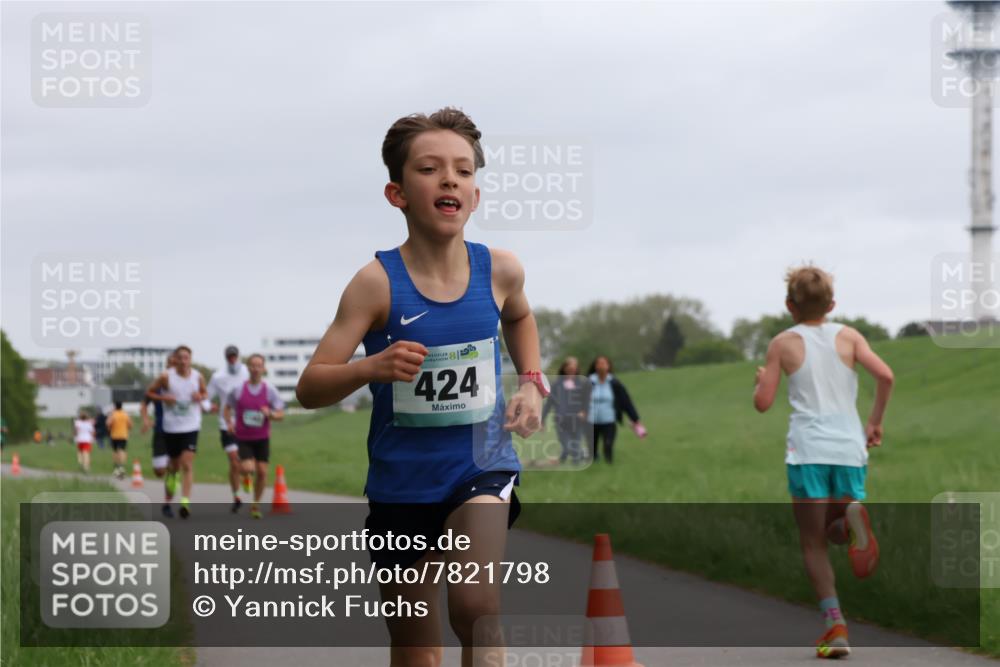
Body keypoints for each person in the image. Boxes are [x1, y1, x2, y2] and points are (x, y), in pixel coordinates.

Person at [296, 107, 546, 667]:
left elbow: (521, 318)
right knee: (416, 648)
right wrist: (370, 367)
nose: (450, 179)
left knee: (477, 609)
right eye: (430, 169)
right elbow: (310, 386)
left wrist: (531, 380)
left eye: (463, 170)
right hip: (400, 486)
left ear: (475, 197)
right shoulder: (375, 284)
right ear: (397, 193)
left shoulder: (501, 270)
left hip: (480, 468)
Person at [753, 265, 894, 659]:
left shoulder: (782, 343)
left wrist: (761, 380)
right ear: (832, 304)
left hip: (808, 453)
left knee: (814, 544)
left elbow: (763, 404)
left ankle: (836, 628)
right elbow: (885, 376)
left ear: (788, 305)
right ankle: (848, 517)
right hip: (849, 450)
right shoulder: (849, 336)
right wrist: (875, 422)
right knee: (835, 528)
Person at [146, 345, 207, 519]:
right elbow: (149, 393)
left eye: (186, 357)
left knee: (187, 465)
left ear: (190, 359)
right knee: (173, 467)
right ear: (175, 359)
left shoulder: (198, 376)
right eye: (179, 357)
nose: (183, 361)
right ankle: (169, 491)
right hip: (171, 427)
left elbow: (205, 393)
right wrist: (165, 398)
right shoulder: (166, 377)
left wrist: (200, 396)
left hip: (191, 426)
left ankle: (185, 502)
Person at [224, 354, 285, 519]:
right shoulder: (238, 389)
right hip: (243, 437)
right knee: (247, 468)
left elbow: (281, 414)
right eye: (253, 365)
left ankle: (256, 505)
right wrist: (229, 423)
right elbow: (227, 407)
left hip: (262, 437)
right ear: (248, 368)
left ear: (263, 368)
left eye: (259, 365)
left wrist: (270, 414)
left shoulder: (269, 390)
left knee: (263, 472)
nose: (256, 368)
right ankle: (246, 477)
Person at [207, 345, 251, 513]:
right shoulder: (218, 377)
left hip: (247, 422)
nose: (232, 359)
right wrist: (208, 405)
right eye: (229, 357)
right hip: (226, 423)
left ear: (238, 356)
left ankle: (246, 476)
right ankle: (236, 496)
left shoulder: (248, 372)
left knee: (246, 464)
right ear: (226, 358)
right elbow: (207, 396)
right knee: (234, 460)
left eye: (234, 356)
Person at [585, 355, 644, 464]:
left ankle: (609, 464)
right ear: (595, 366)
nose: (601, 366)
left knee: (608, 445)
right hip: (591, 421)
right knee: (592, 450)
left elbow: (626, 402)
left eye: (604, 363)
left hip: (609, 420)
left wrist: (635, 419)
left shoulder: (614, 383)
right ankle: (593, 463)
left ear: (608, 366)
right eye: (599, 363)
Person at [142, 352, 177, 508]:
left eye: (175, 364)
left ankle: (167, 502)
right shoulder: (157, 386)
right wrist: (146, 420)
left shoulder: (186, 384)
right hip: (161, 430)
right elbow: (144, 404)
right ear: (166, 366)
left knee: (173, 467)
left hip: (179, 431)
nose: (172, 367)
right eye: (170, 364)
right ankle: (171, 472)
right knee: (159, 471)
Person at [541, 356, 590, 465]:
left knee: (576, 444)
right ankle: (583, 454)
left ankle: (574, 469)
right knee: (567, 446)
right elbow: (549, 403)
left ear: (577, 368)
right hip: (561, 420)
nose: (572, 368)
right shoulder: (556, 384)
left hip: (577, 420)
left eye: (574, 366)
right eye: (569, 365)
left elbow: (586, 400)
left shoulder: (582, 383)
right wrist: (542, 419)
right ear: (564, 367)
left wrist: (584, 412)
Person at [106, 401, 133, 479]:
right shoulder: (125, 414)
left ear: (115, 406)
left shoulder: (113, 414)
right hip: (124, 435)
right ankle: (122, 466)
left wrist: (110, 426)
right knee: (122, 450)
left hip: (114, 435)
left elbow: (108, 423)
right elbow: (130, 425)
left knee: (115, 451)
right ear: (122, 406)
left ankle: (116, 467)